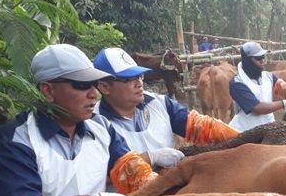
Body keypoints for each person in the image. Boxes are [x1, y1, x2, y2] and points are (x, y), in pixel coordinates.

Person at [0, 44, 157, 196]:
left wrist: (170, 178)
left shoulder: (101, 127)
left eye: (94, 84)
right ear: (48, 90)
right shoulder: (17, 141)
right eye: (82, 85)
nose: (94, 94)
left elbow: (131, 171)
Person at [92, 48, 238, 163]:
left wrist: (242, 137)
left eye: (139, 76)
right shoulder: (95, 124)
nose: (139, 83)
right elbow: (101, 174)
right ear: (104, 87)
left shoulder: (159, 103)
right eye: (129, 79)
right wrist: (150, 158)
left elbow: (201, 127)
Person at [228, 41, 286, 132]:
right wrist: (283, 103)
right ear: (248, 60)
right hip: (244, 132)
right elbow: (257, 108)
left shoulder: (268, 77)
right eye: (258, 58)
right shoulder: (237, 83)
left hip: (267, 128)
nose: (262, 61)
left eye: (263, 57)